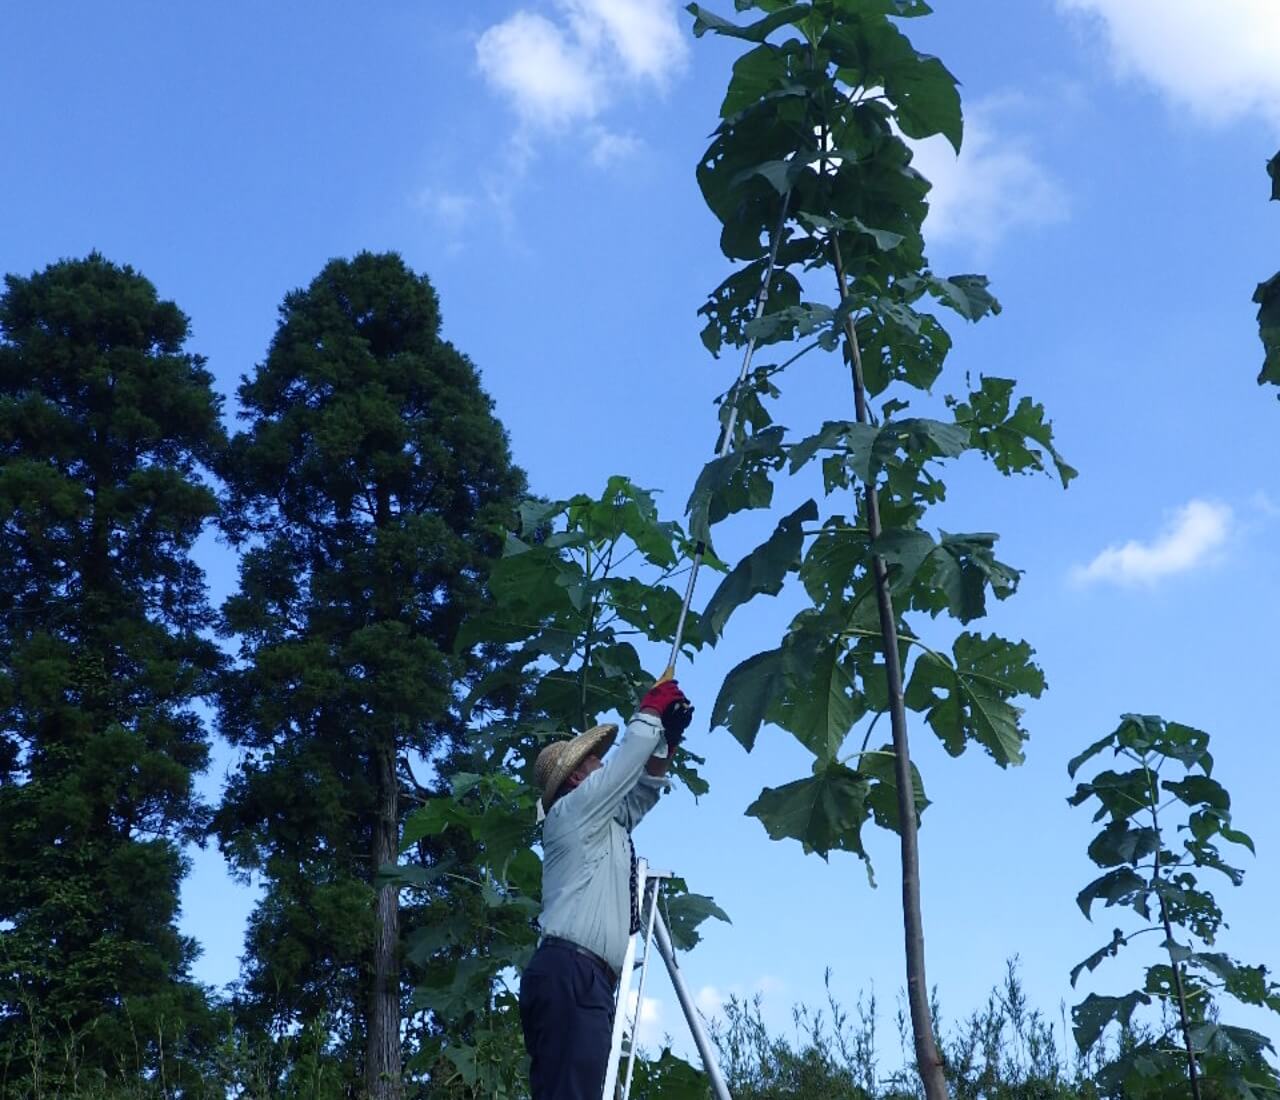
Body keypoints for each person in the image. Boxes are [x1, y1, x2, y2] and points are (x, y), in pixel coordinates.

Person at [519, 679, 694, 1100]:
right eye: (594, 761)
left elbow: (640, 793)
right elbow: (624, 768)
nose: (600, 765)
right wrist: (651, 712)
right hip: (572, 973)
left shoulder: (603, 825)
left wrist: (665, 743)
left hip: (582, 977)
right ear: (578, 777)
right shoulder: (572, 811)